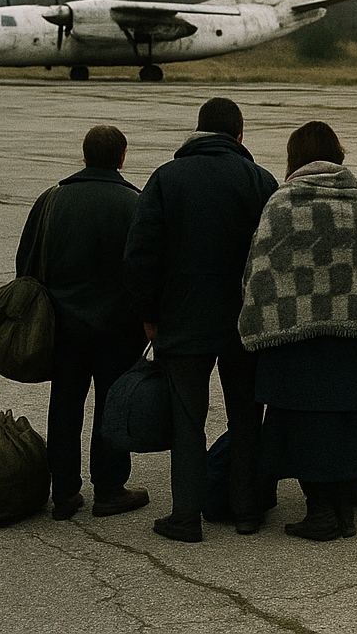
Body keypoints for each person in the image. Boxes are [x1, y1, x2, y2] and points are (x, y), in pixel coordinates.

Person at [124, 97, 278, 542]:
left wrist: (149, 316)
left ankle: (186, 517)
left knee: (187, 420)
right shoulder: (259, 180)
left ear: (198, 131)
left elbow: (140, 256)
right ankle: (247, 509)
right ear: (239, 137)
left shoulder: (166, 178)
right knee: (246, 417)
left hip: (183, 321)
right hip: (244, 324)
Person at [238, 121, 357, 540]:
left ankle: (321, 513)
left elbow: (260, 270)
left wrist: (259, 315)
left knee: (305, 426)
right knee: (342, 421)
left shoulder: (281, 203)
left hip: (293, 334)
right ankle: (343, 509)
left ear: (295, 155)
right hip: (348, 334)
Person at [17, 124, 149, 521]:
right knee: (112, 405)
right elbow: (145, 269)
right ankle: (109, 490)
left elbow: (26, 263)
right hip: (118, 330)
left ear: (85, 155)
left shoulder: (52, 200)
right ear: (122, 157)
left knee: (65, 406)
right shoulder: (135, 203)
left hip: (64, 327)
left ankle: (65, 493)